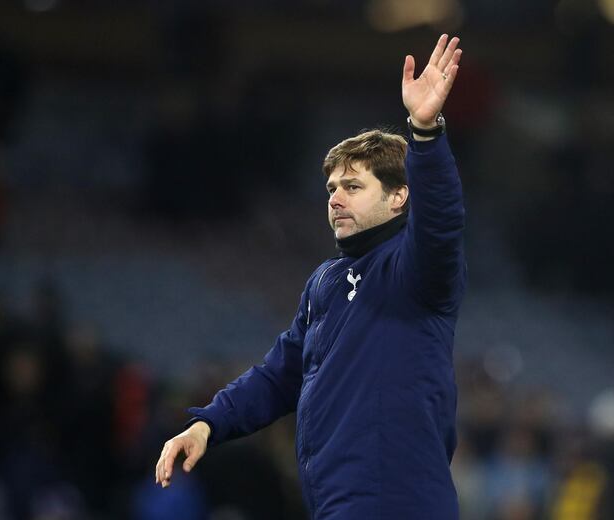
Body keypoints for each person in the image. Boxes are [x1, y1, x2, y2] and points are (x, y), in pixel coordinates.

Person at [155, 34, 466, 519]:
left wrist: (425, 134)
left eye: (353, 186)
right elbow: (280, 375)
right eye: (331, 188)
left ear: (400, 196)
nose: (335, 198)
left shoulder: (414, 269)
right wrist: (208, 424)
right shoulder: (326, 281)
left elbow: (442, 224)